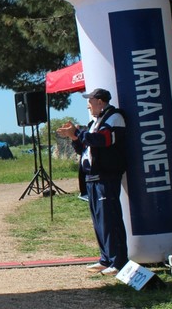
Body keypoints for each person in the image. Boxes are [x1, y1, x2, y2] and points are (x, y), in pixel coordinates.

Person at [57, 88, 128, 276]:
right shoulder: (94, 122)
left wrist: (78, 132)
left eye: (91, 100)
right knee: (99, 221)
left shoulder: (115, 118)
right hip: (92, 178)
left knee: (110, 219)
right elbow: (84, 148)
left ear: (100, 101)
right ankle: (106, 258)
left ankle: (118, 261)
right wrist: (73, 137)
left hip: (107, 176)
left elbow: (103, 140)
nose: (88, 105)